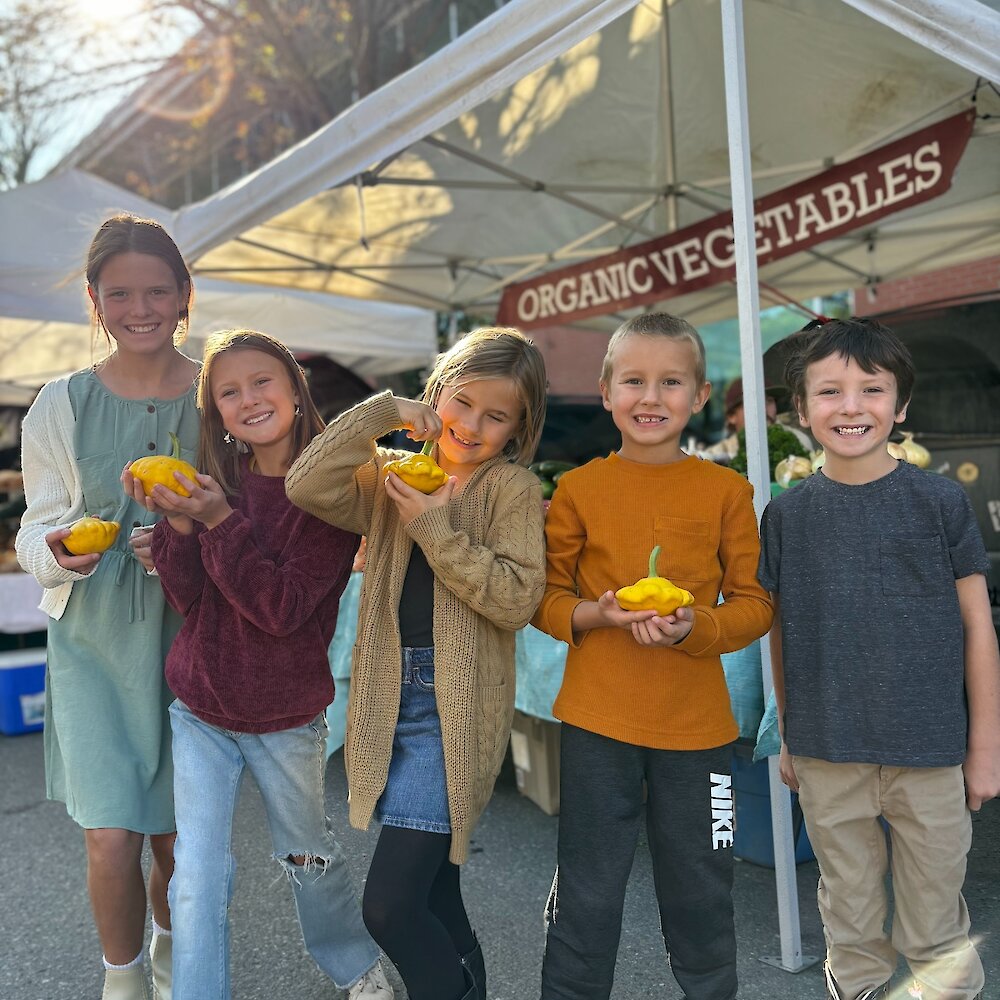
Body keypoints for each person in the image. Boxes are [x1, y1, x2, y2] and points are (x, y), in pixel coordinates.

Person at [124, 329, 393, 1000]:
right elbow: (192, 601)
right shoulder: (215, 485)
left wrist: (215, 521)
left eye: (262, 382)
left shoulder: (332, 495)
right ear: (215, 414)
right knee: (197, 875)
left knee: (309, 859)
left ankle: (355, 969)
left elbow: (281, 608)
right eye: (228, 392)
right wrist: (177, 527)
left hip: (287, 717)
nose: (248, 399)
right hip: (200, 711)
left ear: (297, 393)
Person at [286, 327, 548, 1000]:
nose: (474, 425)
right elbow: (305, 482)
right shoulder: (390, 472)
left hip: (453, 712)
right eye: (462, 403)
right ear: (437, 395)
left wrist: (434, 524)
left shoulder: (510, 489)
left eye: (498, 416)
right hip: (389, 699)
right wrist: (385, 413)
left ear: (518, 428)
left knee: (390, 907)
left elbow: (517, 599)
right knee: (436, 890)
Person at [532, 312, 774, 1000]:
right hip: (595, 725)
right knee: (587, 891)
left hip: (700, 736)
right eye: (633, 380)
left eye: (671, 382)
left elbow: (755, 606)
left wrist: (694, 626)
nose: (650, 397)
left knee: (703, 889)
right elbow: (542, 600)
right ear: (606, 391)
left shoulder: (727, 492)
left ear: (699, 396)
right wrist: (596, 614)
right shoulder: (577, 490)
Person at [758, 317, 1000, 1000]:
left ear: (901, 405)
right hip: (828, 751)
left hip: (930, 752)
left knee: (934, 924)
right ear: (801, 409)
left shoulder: (940, 501)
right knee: (852, 918)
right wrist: (788, 735)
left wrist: (985, 747)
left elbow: (978, 628)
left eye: (871, 389)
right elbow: (782, 631)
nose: (852, 407)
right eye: (829, 391)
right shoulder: (787, 515)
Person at [15, 213, 200, 1000]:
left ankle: (170, 961)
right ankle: (121, 984)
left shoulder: (223, 392)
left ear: (185, 295)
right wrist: (59, 549)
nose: (140, 307)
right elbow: (35, 525)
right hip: (93, 642)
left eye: (157, 289)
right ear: (95, 300)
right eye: (119, 292)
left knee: (174, 842)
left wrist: (195, 539)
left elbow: (262, 509)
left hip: (193, 639)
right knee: (111, 837)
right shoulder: (57, 405)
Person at [702, 375, 812, 460]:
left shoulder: (799, 441)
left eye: (769, 401)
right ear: (731, 416)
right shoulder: (714, 455)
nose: (763, 410)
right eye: (752, 402)